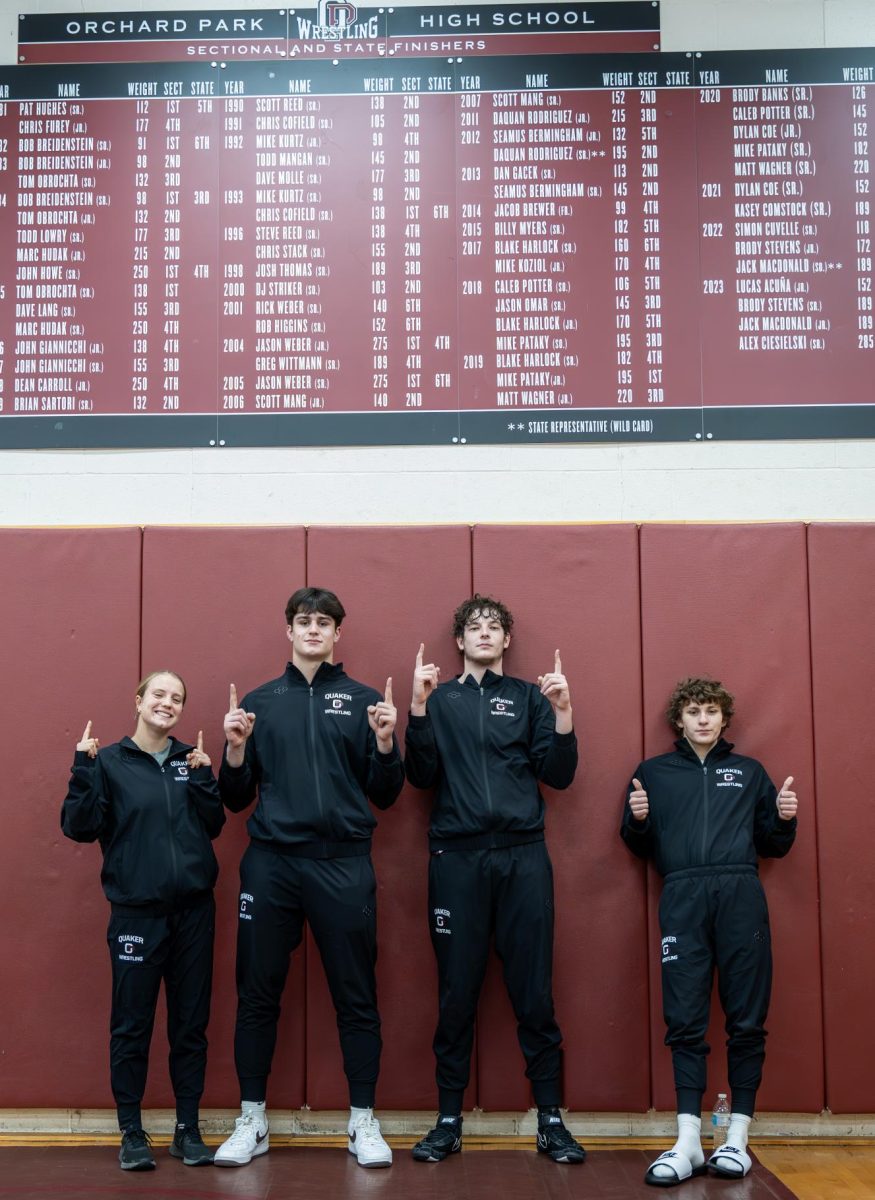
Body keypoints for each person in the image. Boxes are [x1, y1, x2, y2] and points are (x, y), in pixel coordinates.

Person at [214, 587, 403, 1170]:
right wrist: (236, 749)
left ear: (337, 633)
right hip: (271, 863)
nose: (314, 629)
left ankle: (362, 1122)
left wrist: (386, 742)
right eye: (304, 621)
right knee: (257, 992)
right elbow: (234, 797)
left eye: (324, 622)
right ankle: (252, 1119)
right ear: (289, 631)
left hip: (342, 863)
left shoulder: (365, 699)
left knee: (356, 994)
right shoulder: (259, 702)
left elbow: (387, 794)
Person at [404, 594, 586, 1165]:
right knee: (457, 992)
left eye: (494, 627)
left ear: (506, 641)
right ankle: (449, 1120)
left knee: (533, 992)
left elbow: (557, 775)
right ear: (459, 642)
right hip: (456, 861)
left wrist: (562, 714)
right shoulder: (441, 698)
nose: (484, 634)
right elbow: (421, 775)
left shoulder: (530, 697)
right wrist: (416, 709)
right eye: (474, 627)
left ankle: (551, 1121)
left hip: (523, 859)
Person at [620, 676, 798, 1187]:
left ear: (724, 720)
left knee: (746, 1017)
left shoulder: (748, 772)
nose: (703, 719)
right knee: (684, 1018)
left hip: (741, 894)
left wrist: (783, 820)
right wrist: (637, 821)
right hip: (682, 895)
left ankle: (736, 1138)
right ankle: (688, 1141)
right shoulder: (652, 773)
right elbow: (636, 843)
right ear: (679, 720)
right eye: (694, 711)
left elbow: (772, 844)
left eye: (712, 711)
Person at [61, 670, 224, 1172]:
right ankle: (131, 1132)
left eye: (177, 698)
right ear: (138, 700)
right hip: (136, 915)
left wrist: (202, 778)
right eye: (159, 694)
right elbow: (78, 827)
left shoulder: (187, 759)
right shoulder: (107, 761)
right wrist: (82, 772)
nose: (167, 703)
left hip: (194, 913)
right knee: (131, 1027)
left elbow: (214, 825)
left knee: (190, 1027)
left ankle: (187, 1130)